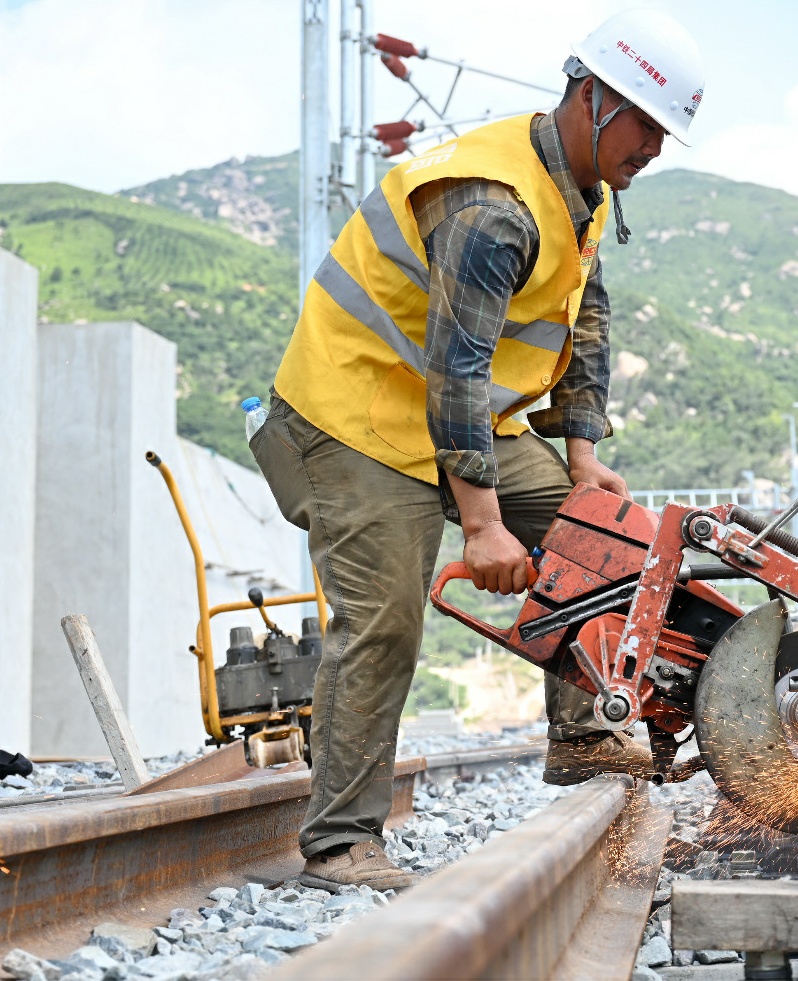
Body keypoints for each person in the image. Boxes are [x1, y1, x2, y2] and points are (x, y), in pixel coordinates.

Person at [251, 10, 705, 892]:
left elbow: (587, 318)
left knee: (605, 537)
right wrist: (485, 526)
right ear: (591, 98)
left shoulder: (582, 192)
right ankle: (341, 843)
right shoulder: (491, 206)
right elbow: (455, 370)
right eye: (645, 122)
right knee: (385, 619)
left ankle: (581, 729)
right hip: (354, 423)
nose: (652, 146)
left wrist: (580, 457)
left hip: (454, 422)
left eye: (663, 131)